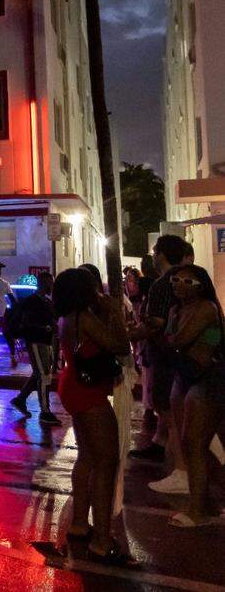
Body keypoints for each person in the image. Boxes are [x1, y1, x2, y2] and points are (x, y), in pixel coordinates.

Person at [54, 267, 134, 566]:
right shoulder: (85, 317)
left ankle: (79, 523)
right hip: (88, 392)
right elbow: (120, 345)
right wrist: (114, 311)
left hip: (73, 383)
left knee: (87, 456)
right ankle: (101, 539)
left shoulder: (66, 318)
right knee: (106, 462)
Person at [129, 235, 192, 495]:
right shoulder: (187, 281)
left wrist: (128, 336)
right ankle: (160, 442)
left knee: (168, 409)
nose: (152, 257)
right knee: (171, 407)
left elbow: (154, 323)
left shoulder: (162, 284)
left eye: (155, 252)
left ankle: (183, 470)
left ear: (162, 255)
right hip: (181, 355)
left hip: (165, 355)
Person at [164, 264, 225, 527]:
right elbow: (172, 339)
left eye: (187, 282)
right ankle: (207, 503)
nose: (179, 284)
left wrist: (165, 333)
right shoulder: (176, 309)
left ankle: (198, 510)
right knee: (192, 445)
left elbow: (177, 340)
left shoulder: (206, 309)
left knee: (195, 443)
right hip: (184, 376)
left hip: (208, 378)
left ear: (201, 285)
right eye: (176, 280)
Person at [10, 272, 60, 425]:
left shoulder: (45, 301)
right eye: (50, 283)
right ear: (44, 283)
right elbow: (27, 322)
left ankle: (20, 399)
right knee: (43, 376)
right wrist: (44, 328)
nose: (52, 286)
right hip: (36, 342)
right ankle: (45, 411)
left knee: (39, 374)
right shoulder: (33, 301)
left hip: (44, 342)